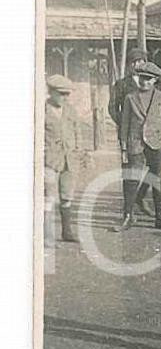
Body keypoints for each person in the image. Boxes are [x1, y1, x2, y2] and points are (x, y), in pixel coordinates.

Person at [114, 60, 161, 232]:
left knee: (157, 181)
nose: (144, 81)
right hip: (136, 144)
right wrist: (124, 148)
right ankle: (127, 217)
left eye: (149, 79)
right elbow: (124, 124)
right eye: (142, 78)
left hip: (157, 144)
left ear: (155, 80)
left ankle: (160, 218)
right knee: (131, 180)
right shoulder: (130, 98)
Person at [109, 47, 153, 218]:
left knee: (155, 168)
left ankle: (140, 197)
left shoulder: (150, 82)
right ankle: (128, 210)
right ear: (129, 65)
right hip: (130, 135)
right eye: (133, 62)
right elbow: (112, 108)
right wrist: (125, 124)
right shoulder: (121, 85)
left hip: (151, 135)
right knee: (130, 171)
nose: (137, 65)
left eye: (140, 61)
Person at [44, 75, 84, 245]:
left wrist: (79, 151)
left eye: (67, 94)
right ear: (50, 92)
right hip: (50, 160)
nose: (65, 98)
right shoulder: (41, 110)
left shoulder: (70, 110)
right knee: (48, 197)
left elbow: (78, 132)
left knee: (67, 195)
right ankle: (46, 235)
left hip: (69, 160)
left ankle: (67, 231)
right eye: (61, 94)